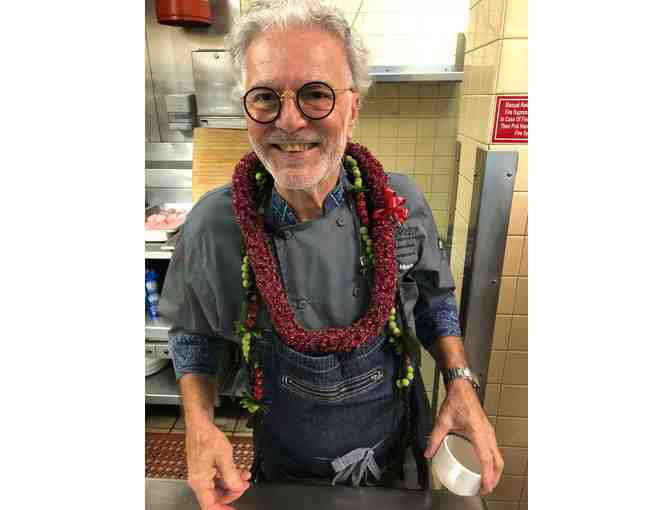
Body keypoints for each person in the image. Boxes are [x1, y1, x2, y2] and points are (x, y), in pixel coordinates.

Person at [159, 1, 504, 508]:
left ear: (353, 108)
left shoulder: (397, 203)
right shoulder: (215, 223)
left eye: (316, 94)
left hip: (397, 460)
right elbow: (195, 332)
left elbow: (434, 300)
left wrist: (460, 381)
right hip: (284, 472)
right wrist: (198, 423)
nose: (290, 121)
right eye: (265, 97)